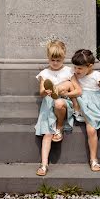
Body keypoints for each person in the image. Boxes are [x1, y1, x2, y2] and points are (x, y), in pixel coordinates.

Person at [34, 40, 81, 176]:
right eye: (52, 60)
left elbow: (78, 91)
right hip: (48, 105)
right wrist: (46, 92)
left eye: (58, 60)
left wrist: (67, 92)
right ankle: (44, 165)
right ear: (48, 58)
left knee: (60, 99)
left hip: (64, 102)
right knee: (47, 134)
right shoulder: (44, 73)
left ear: (64, 58)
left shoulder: (69, 71)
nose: (55, 63)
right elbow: (41, 92)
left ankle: (59, 127)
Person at [71, 48, 100, 172]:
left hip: (93, 106)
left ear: (90, 66)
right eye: (75, 67)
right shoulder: (74, 76)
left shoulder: (98, 77)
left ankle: (93, 159)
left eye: (80, 68)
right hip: (79, 103)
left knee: (91, 130)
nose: (77, 71)